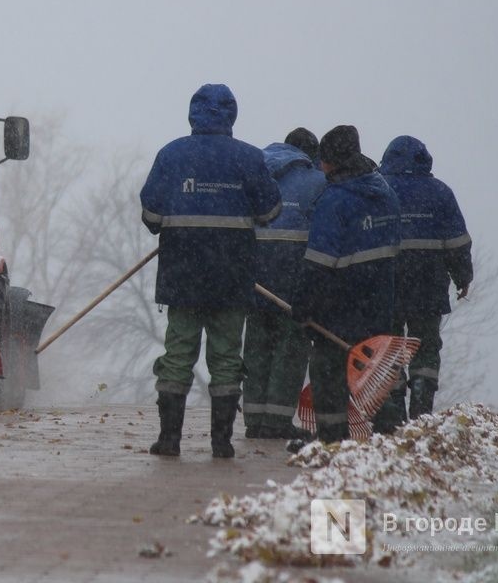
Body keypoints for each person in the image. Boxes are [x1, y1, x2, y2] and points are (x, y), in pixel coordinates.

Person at [139, 83, 281, 458]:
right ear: (233, 115)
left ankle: (169, 439)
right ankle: (221, 443)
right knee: (226, 358)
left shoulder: (171, 155)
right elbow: (269, 213)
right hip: (231, 277)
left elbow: (151, 214)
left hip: (181, 275)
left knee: (178, 352)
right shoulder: (250, 159)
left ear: (192, 113)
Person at [292, 125, 401, 444]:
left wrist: (303, 306)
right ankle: (393, 434)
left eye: (323, 161)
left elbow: (319, 264)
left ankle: (332, 441)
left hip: (337, 309)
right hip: (379, 304)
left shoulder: (335, 201)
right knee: (376, 371)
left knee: (327, 372)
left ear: (332, 162)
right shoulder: (384, 194)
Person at [371, 135, 472, 430]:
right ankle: (421, 406)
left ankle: (391, 408)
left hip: (386, 284)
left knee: (389, 346)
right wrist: (462, 277)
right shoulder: (440, 193)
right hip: (428, 286)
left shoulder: (378, 190)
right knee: (426, 346)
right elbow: (457, 243)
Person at [242, 128, 326, 440]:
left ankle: (253, 418)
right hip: (294, 279)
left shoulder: (256, 174)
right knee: (291, 348)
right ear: (311, 156)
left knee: (257, 346)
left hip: (255, 278)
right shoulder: (318, 183)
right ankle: (276, 421)